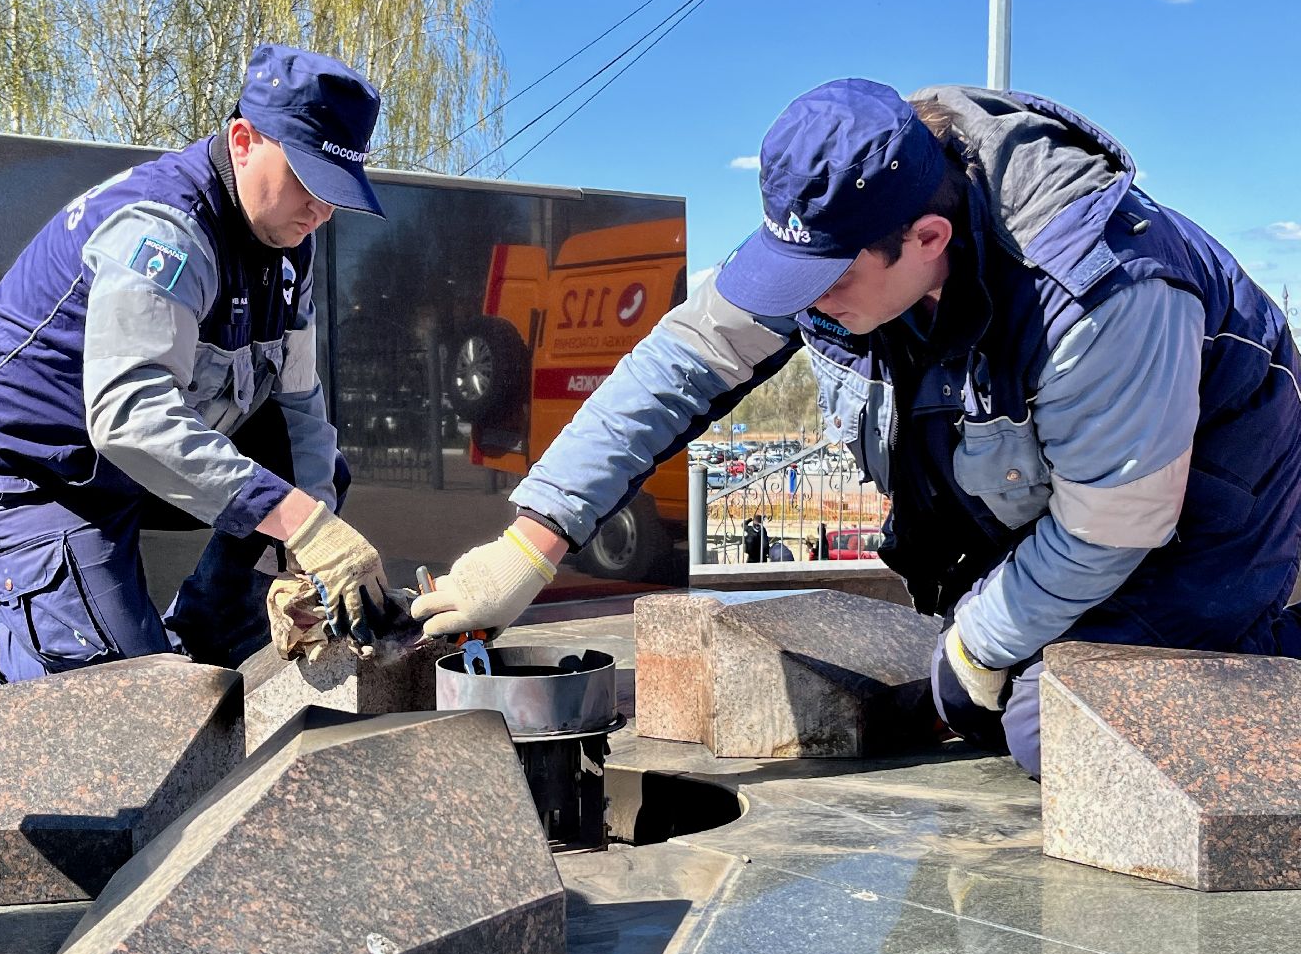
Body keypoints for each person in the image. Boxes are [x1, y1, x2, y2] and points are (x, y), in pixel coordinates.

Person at [412, 78, 1301, 779]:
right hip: (1071, 509)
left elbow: (1115, 523)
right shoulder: (840, 216)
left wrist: (980, 646)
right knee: (994, 705)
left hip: (1206, 515)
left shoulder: (1098, 293)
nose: (803, 303)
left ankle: (1270, 654)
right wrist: (530, 546)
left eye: (827, 281)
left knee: (1057, 728)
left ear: (926, 238)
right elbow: (678, 363)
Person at [0, 44, 396, 687]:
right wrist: (303, 525)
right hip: (19, 456)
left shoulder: (289, 244)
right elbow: (130, 417)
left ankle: (208, 633)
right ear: (244, 139)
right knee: (114, 686)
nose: (321, 211)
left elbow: (298, 406)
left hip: (119, 451)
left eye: (336, 193)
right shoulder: (165, 230)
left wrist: (310, 546)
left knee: (308, 478)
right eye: (307, 182)